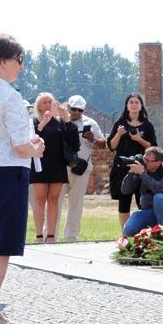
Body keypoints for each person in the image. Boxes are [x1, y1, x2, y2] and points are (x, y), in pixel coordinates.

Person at [0, 34, 45, 324]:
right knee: (0, 245)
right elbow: (21, 147)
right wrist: (36, 148)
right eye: (19, 60)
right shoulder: (9, 96)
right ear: (4, 61)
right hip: (7, 173)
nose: (21, 67)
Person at [30, 92, 80, 243]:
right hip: (39, 164)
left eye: (50, 102)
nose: (47, 105)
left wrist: (67, 118)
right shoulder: (33, 121)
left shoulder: (60, 122)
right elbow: (32, 138)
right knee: (39, 199)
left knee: (53, 200)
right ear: (38, 105)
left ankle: (51, 236)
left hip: (57, 165)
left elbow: (74, 144)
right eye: (44, 102)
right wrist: (43, 122)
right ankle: (39, 235)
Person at [56, 95, 106, 241]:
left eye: (80, 109)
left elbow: (103, 143)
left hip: (81, 167)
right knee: (55, 201)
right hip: (61, 166)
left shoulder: (90, 123)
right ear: (68, 108)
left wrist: (92, 138)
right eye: (73, 109)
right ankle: (50, 234)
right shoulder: (59, 121)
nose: (76, 112)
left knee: (76, 203)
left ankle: (71, 236)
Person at [107, 93, 158, 230]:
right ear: (127, 106)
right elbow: (111, 146)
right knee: (124, 201)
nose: (134, 104)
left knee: (144, 202)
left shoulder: (147, 126)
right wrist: (118, 134)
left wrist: (138, 139)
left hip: (142, 167)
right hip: (122, 167)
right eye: (131, 102)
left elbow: (153, 147)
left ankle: (144, 234)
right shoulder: (120, 123)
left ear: (141, 106)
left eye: (137, 102)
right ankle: (125, 233)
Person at [121, 146, 163, 237]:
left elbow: (158, 189)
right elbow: (125, 190)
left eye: (148, 160)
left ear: (158, 162)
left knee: (158, 197)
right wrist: (132, 173)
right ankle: (145, 237)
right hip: (147, 211)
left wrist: (143, 174)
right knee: (128, 230)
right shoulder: (142, 171)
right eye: (144, 159)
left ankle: (162, 233)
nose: (145, 162)